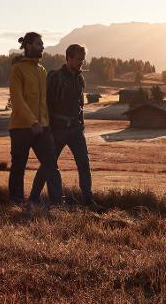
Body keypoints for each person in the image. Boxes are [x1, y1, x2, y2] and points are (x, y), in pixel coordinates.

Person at [31, 43, 103, 210]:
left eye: (83, 60)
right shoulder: (55, 77)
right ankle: (34, 198)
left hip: (76, 129)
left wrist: (82, 123)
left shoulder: (80, 78)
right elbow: (45, 103)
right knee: (48, 165)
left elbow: (80, 104)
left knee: (84, 164)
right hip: (57, 129)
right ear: (68, 58)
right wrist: (46, 128)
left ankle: (88, 200)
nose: (81, 63)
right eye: (78, 59)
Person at [8, 32, 62, 207]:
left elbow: (44, 101)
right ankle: (16, 204)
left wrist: (46, 123)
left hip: (43, 127)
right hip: (21, 127)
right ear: (28, 46)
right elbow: (17, 99)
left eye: (42, 44)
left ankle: (56, 203)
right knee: (18, 167)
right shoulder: (18, 69)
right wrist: (33, 121)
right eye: (39, 44)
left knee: (51, 165)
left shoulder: (42, 70)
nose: (42, 47)